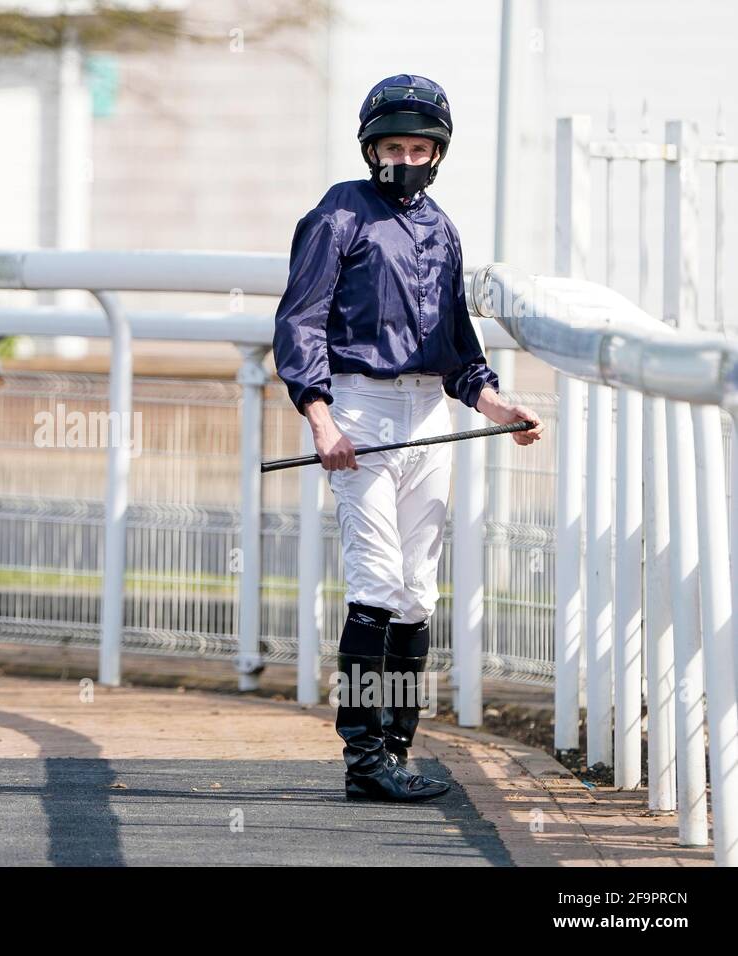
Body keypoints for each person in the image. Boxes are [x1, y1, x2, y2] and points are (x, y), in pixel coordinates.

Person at [273, 74, 544, 802]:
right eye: (393, 146)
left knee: (419, 592)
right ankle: (362, 758)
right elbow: (299, 323)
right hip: (358, 413)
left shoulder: (443, 228)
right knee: (377, 583)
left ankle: (398, 744)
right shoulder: (338, 215)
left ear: (437, 153)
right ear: (370, 149)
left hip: (430, 416)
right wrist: (321, 418)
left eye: (419, 147)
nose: (406, 157)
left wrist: (497, 407)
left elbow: (457, 345)